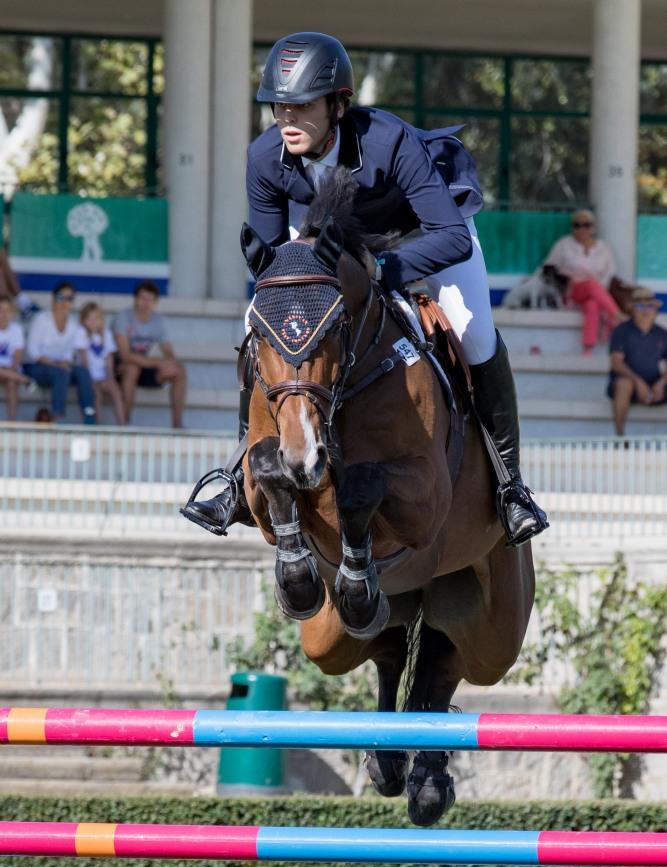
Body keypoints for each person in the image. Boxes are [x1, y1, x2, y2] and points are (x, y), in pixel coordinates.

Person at [184, 31, 547, 547]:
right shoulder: (265, 157)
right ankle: (241, 475)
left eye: (301, 107)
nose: (287, 121)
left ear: (338, 104)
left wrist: (381, 269)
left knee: (475, 333)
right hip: (329, 248)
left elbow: (449, 236)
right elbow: (270, 265)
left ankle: (510, 487)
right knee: (253, 324)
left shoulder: (388, 140)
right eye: (278, 108)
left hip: (418, 238)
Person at [544, 209, 624, 354]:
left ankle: (587, 350)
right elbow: (549, 268)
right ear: (572, 227)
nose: (581, 229)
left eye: (586, 225)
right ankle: (616, 315)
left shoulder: (603, 248)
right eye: (577, 225)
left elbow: (610, 271)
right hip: (571, 291)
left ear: (593, 227)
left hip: (597, 294)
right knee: (591, 283)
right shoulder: (563, 245)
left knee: (592, 305)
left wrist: (598, 293)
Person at [111, 280, 187, 429]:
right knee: (132, 368)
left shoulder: (158, 321)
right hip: (119, 368)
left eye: (150, 299)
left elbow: (168, 352)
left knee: (178, 370)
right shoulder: (123, 317)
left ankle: (177, 424)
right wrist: (157, 362)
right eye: (142, 298)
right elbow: (125, 355)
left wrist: (168, 364)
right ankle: (124, 423)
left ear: (155, 302)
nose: (146, 303)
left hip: (143, 367)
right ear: (135, 299)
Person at [24, 282, 96, 424]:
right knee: (61, 372)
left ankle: (89, 416)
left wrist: (64, 362)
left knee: (82, 372)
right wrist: (55, 363)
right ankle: (58, 418)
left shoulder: (73, 323)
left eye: (69, 298)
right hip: (35, 368)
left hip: (58, 368)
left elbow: (69, 353)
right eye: (61, 297)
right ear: (53, 299)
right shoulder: (41, 319)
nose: (65, 302)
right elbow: (32, 352)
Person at [607, 287, 667, 436]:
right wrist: (638, 382)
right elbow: (616, 363)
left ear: (655, 310)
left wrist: (661, 383)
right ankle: (620, 437)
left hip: (654, 385)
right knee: (623, 384)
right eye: (640, 306)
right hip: (629, 384)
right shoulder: (622, 331)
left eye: (650, 306)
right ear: (632, 309)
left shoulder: (662, 333)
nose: (645, 311)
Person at [79, 302, 126, 425]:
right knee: (96, 395)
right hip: (88, 375)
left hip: (104, 374)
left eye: (96, 318)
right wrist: (93, 379)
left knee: (116, 392)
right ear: (83, 321)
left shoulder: (107, 334)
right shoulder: (81, 334)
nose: (93, 322)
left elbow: (109, 358)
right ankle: (97, 425)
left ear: (101, 320)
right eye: (89, 318)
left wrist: (109, 377)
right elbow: (84, 360)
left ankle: (123, 425)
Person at [0, 294, 32, 420]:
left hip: (10, 370)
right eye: (0, 310)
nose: (3, 314)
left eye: (7, 310)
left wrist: (10, 370)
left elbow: (17, 356)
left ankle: (12, 422)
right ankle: (24, 379)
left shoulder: (17, 329)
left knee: (12, 383)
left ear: (12, 313)